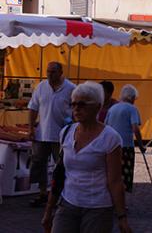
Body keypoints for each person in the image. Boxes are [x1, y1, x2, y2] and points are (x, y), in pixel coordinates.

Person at [41, 82, 130, 233]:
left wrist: (122, 217)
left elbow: (115, 181)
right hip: (68, 203)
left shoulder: (110, 138)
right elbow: (59, 173)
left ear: (97, 106)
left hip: (98, 209)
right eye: (73, 104)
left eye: (82, 104)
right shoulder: (66, 132)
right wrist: (49, 211)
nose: (76, 109)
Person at [28, 61, 76, 207]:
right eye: (48, 72)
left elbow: (75, 112)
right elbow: (33, 108)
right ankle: (43, 193)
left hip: (62, 135)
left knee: (61, 165)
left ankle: (61, 195)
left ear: (61, 73)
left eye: (52, 72)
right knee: (38, 163)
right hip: (42, 134)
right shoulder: (41, 87)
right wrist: (31, 128)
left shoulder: (71, 88)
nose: (49, 75)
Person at [104, 84, 144, 194]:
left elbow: (105, 126)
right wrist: (140, 145)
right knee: (124, 176)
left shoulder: (112, 108)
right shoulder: (132, 109)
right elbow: (135, 128)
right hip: (126, 146)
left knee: (112, 173)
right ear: (132, 98)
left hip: (111, 146)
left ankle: (111, 200)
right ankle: (121, 202)